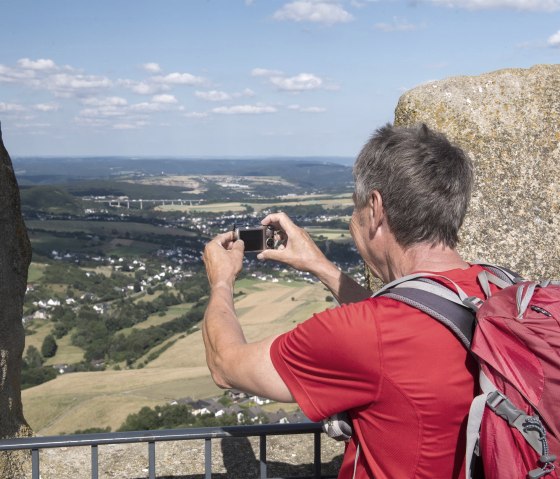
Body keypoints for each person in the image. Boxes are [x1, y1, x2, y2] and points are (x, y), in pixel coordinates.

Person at [202, 123, 489, 478]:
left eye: (356, 207)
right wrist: (320, 265)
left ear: (375, 207)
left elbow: (225, 365)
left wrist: (221, 282)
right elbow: (415, 320)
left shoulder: (367, 333)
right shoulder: (500, 292)